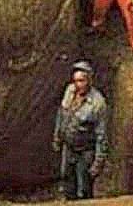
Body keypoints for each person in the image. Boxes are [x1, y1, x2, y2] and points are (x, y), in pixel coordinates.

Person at [53, 60, 108, 200]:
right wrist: (57, 137)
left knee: (84, 187)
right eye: (76, 81)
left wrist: (98, 163)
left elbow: (102, 136)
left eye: (82, 81)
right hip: (68, 147)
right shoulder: (70, 91)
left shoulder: (97, 103)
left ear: (89, 80)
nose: (78, 85)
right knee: (66, 180)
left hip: (85, 151)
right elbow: (62, 113)